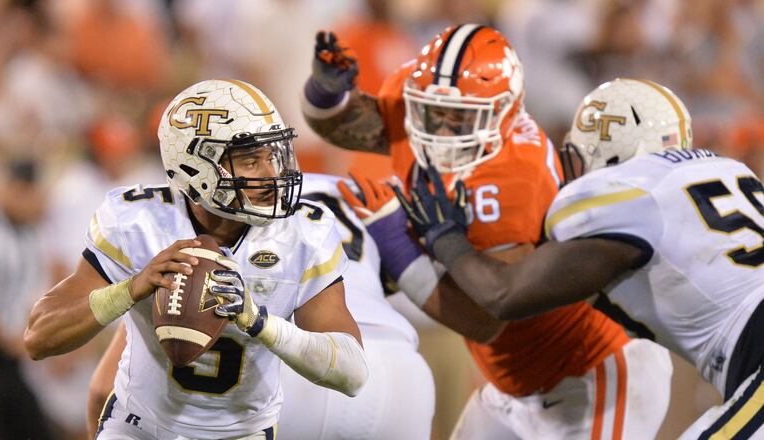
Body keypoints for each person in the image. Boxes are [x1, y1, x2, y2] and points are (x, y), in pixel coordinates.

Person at [304, 25, 672, 439]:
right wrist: (326, 94)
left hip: (590, 372)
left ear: (504, 113)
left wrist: (396, 245)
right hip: (511, 387)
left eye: (459, 118)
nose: (441, 130)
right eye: (432, 112)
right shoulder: (419, 101)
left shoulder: (514, 176)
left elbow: (487, 315)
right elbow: (352, 126)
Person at [400, 78, 764, 439]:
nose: (569, 171)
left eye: (575, 157)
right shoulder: (728, 173)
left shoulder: (632, 198)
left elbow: (502, 295)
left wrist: (445, 238)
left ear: (606, 151)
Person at [24, 79, 369, 440]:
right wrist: (131, 289)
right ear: (194, 167)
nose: (271, 175)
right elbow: (39, 337)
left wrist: (260, 323)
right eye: (251, 160)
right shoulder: (139, 220)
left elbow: (352, 372)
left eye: (274, 156)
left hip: (242, 434)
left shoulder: (302, 232)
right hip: (139, 426)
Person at [87, 172, 436, 439]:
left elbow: (105, 387)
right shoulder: (369, 195)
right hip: (399, 371)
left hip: (299, 371)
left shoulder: (199, 225)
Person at [0, 158, 53, 439]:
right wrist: (1, 336)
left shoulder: (31, 234)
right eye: (21, 191)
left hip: (7, 359)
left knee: (33, 428)